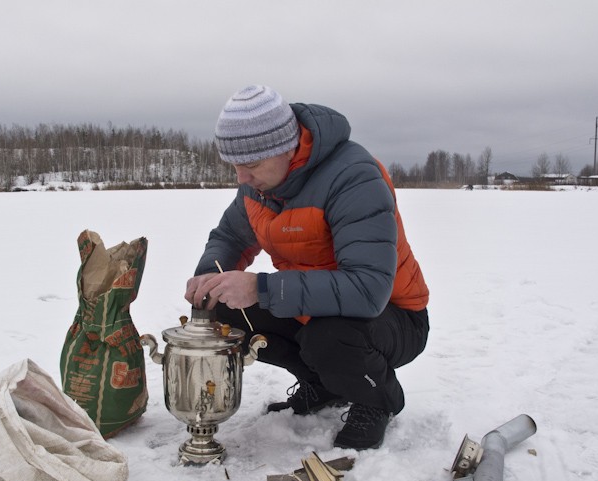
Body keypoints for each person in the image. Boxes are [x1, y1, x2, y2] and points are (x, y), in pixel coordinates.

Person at [184, 85, 429, 450]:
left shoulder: (354, 177)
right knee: (225, 311)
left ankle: (377, 398)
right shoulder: (260, 187)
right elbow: (230, 237)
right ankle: (324, 385)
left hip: (393, 316)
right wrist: (211, 274)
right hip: (317, 310)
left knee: (328, 337)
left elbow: (367, 290)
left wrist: (261, 288)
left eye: (249, 165)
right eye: (234, 166)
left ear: (284, 148)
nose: (240, 179)